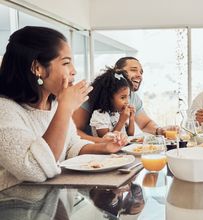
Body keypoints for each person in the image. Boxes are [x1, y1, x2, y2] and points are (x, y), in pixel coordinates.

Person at [0, 26, 127, 191]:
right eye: (66, 63)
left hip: (49, 203)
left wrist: (104, 147)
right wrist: (65, 108)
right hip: (13, 208)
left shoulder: (53, 105)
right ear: (37, 68)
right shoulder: (4, 110)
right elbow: (35, 170)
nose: (74, 71)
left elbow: (70, 146)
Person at [73, 57, 170, 143]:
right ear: (117, 71)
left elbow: (145, 124)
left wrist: (160, 130)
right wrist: (102, 142)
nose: (139, 75)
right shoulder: (93, 93)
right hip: (89, 150)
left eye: (141, 72)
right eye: (133, 70)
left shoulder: (132, 97)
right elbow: (74, 131)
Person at [88, 67, 135, 137]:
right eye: (123, 97)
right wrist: (121, 120)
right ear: (109, 98)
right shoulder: (100, 115)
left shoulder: (117, 113)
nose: (127, 101)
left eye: (128, 97)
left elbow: (130, 135)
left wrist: (131, 118)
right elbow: (107, 140)